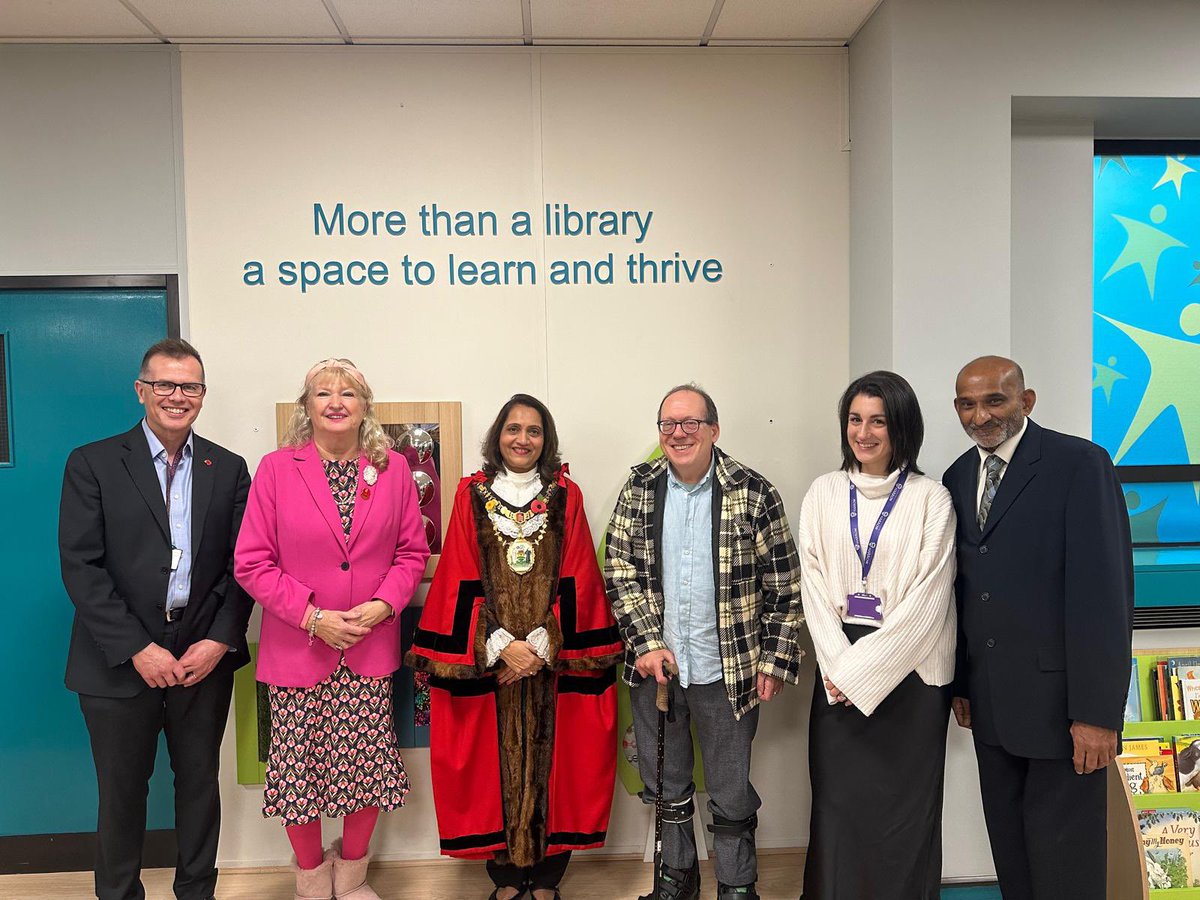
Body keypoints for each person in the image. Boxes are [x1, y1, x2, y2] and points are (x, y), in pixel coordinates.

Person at [408, 393, 621, 900]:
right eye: (513, 429)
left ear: (545, 439)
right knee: (491, 762)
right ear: (497, 437)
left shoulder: (566, 496)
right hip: (494, 659)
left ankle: (546, 879)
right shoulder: (470, 495)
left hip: (552, 658)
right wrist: (500, 643)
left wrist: (546, 641)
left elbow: (579, 576)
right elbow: (459, 572)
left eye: (533, 430)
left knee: (560, 761)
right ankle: (506, 877)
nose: (522, 439)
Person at [59, 338, 252, 900]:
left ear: (202, 395)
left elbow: (244, 566)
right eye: (164, 384)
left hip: (201, 658)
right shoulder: (92, 462)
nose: (177, 395)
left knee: (198, 788)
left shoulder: (229, 467)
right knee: (122, 793)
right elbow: (81, 565)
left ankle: (196, 891)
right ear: (141, 390)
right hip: (118, 660)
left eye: (189, 386)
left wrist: (219, 640)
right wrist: (138, 648)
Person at [234, 358, 429, 900]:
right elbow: (251, 562)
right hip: (298, 646)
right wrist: (314, 616)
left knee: (369, 768)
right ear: (307, 406)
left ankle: (352, 878)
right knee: (299, 774)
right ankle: (311, 884)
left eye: (348, 393)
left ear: (365, 406)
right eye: (324, 393)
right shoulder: (276, 469)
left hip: (369, 646)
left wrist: (384, 605)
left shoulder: (390, 471)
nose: (336, 401)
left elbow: (412, 552)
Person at [943, 356, 1133, 900]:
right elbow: (964, 590)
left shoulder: (1080, 464)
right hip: (991, 706)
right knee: (1013, 853)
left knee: (1066, 862)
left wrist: (1096, 715)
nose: (980, 415)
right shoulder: (958, 476)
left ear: (1026, 401)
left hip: (1063, 711)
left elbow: (1105, 596)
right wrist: (961, 684)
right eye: (967, 404)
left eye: (994, 400)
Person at [604, 383, 803, 900]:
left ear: (714, 430)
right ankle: (677, 879)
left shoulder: (754, 492)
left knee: (732, 791)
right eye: (668, 424)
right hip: (658, 672)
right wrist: (646, 643)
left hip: (729, 671)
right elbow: (620, 571)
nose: (678, 433)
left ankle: (738, 887)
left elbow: (785, 584)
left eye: (691, 423)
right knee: (667, 787)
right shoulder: (640, 487)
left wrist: (776, 660)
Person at [797, 371, 957, 899]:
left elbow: (929, 602)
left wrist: (860, 674)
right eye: (855, 419)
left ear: (902, 426)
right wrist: (841, 669)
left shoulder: (932, 499)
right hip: (836, 668)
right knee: (837, 812)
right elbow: (813, 586)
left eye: (878, 421)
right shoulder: (823, 492)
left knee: (904, 819)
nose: (863, 433)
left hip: (910, 676)